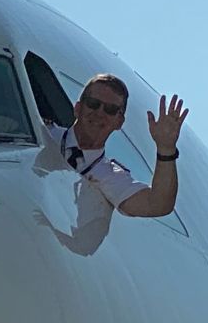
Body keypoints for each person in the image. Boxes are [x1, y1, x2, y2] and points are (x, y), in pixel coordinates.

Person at [49, 74, 188, 218]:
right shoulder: (45, 133)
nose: (100, 113)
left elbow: (157, 205)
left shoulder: (109, 176)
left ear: (119, 122)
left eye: (110, 109)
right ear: (77, 108)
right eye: (93, 103)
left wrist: (166, 149)